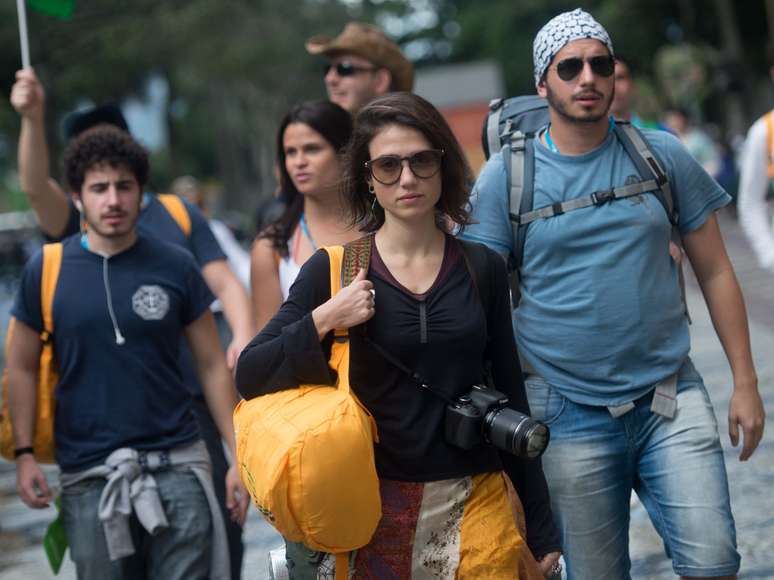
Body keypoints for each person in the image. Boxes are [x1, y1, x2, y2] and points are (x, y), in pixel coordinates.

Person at [462, 8, 765, 580]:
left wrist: (745, 383)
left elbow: (718, 272)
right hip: (564, 411)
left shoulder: (661, 154)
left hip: (670, 396)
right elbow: (474, 300)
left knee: (715, 561)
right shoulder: (506, 175)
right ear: (541, 82)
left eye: (600, 64)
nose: (588, 78)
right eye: (569, 66)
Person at [236, 92, 561, 578]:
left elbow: (511, 392)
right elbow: (250, 372)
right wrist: (324, 318)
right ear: (368, 178)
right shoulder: (333, 269)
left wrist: (541, 530)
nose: (407, 178)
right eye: (388, 165)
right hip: (371, 510)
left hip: (477, 499)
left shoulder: (482, 268)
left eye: (421, 161)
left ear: (443, 167)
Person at [9, 68, 253, 580]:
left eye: (124, 186)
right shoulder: (47, 268)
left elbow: (211, 362)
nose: (113, 199)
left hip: (182, 458)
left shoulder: (175, 253)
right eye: (99, 187)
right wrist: (26, 454)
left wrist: (239, 457)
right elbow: (22, 367)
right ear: (77, 195)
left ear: (142, 189)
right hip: (89, 475)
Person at [250, 100, 358, 331]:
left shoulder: (383, 224)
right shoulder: (272, 247)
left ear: (346, 152)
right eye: (290, 152)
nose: (299, 162)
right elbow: (265, 353)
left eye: (312, 149)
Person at [171, 175, 251, 345]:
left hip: (220, 314)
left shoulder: (216, 230)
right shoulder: (168, 237)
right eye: (186, 207)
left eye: (197, 205)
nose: (193, 212)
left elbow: (240, 266)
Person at [306, 22, 414, 114]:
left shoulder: (408, 136)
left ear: (380, 81)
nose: (330, 79)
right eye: (328, 69)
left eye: (344, 68)